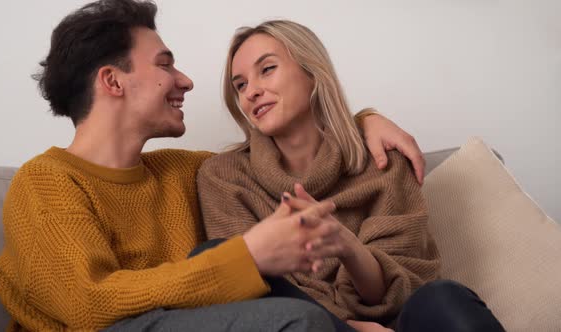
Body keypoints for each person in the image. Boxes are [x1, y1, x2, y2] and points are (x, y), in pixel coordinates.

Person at [0, 1, 430, 331]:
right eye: (165, 64)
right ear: (112, 81)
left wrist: (361, 121)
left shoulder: (187, 172)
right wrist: (246, 258)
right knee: (296, 321)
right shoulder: (46, 182)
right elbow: (87, 305)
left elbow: (287, 155)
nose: (186, 80)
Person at [197, 20, 506, 332]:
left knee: (443, 297)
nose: (251, 92)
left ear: (312, 71)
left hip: (399, 324)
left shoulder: (383, 158)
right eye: (240, 85)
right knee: (225, 258)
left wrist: (346, 245)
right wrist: (348, 326)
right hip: (307, 326)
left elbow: (403, 287)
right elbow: (253, 294)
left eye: (267, 69)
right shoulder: (225, 178)